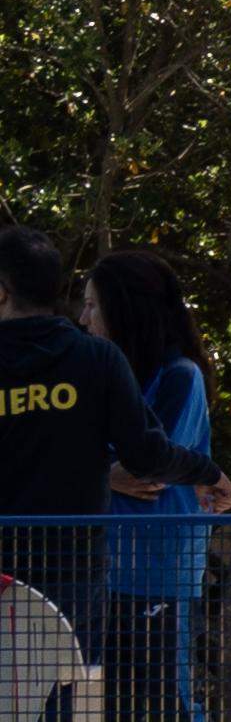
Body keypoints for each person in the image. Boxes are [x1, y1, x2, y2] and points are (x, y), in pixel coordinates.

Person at [87, 248, 231, 722]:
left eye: (93, 303)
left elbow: (147, 467)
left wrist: (110, 469)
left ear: (126, 309)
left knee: (171, 701)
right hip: (107, 569)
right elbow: (102, 462)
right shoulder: (103, 373)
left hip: (162, 567)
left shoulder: (179, 377)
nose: (84, 315)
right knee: (113, 711)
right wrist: (103, 470)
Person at [0, 222, 163, 638]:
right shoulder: (99, 359)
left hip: (16, 571)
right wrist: (206, 472)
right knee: (71, 691)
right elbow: (146, 453)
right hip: (74, 572)